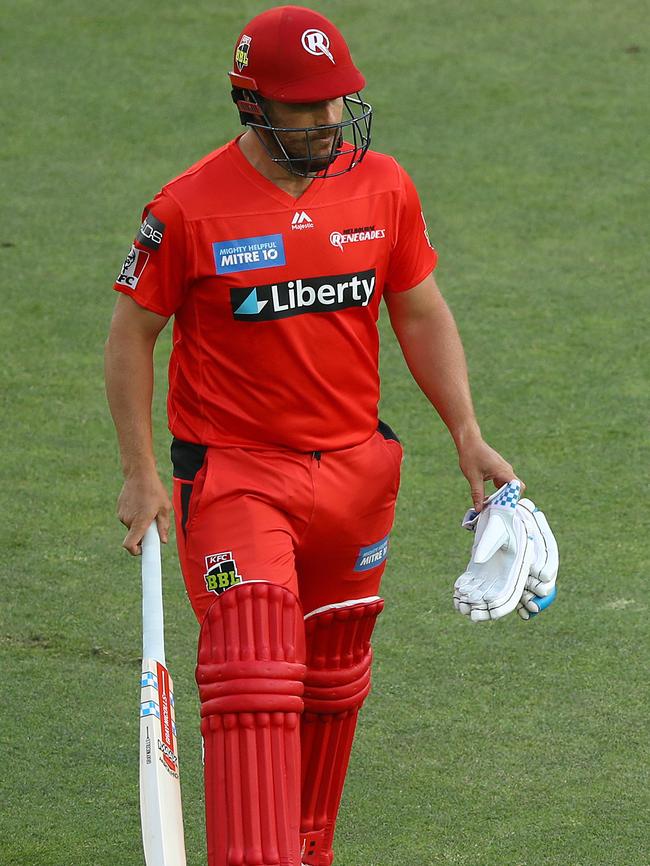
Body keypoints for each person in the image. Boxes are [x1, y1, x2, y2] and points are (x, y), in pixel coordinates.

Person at [104, 6, 519, 865]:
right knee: (255, 670)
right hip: (237, 479)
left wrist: (467, 434)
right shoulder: (186, 210)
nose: (331, 120)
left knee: (331, 681)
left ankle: (303, 851)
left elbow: (419, 309)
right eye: (308, 106)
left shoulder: (384, 188)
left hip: (356, 476)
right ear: (252, 105)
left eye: (339, 101)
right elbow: (130, 334)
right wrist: (141, 473)